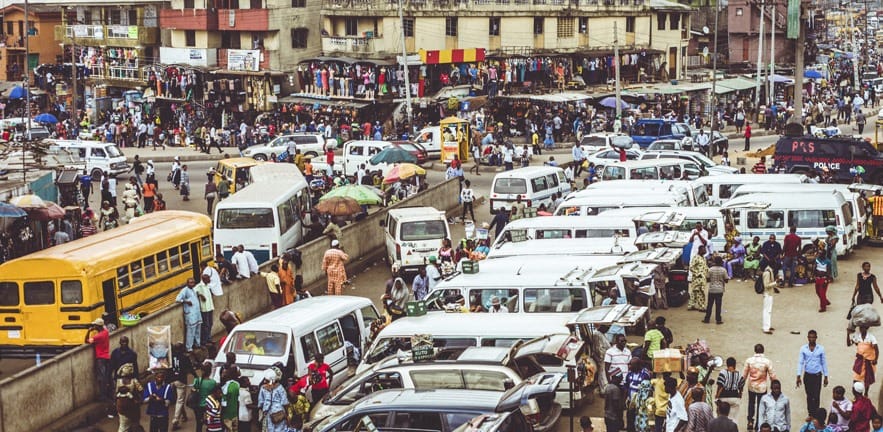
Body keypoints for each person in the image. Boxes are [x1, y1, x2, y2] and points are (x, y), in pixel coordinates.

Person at [797, 330, 829, 421]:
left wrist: (826, 376)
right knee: (809, 395)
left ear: (816, 338)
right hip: (807, 375)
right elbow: (800, 362)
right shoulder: (803, 349)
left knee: (817, 395)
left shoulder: (821, 349)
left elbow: (824, 362)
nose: (811, 339)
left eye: (813, 337)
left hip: (817, 376)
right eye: (810, 337)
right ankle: (810, 414)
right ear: (808, 338)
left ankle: (816, 414)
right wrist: (798, 375)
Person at [744, 343, 777, 431]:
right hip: (762, 388)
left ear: (755, 350)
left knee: (751, 403)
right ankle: (758, 424)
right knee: (761, 406)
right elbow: (772, 375)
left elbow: (744, 375)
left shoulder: (749, 361)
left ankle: (750, 421)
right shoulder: (767, 361)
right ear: (763, 351)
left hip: (751, 386)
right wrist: (775, 387)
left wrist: (740, 387)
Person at [86, 317, 114, 417]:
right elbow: (104, 327)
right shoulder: (106, 332)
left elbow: (86, 340)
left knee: (102, 378)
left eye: (95, 325)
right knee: (108, 376)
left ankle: (103, 396)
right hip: (107, 357)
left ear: (98, 326)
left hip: (100, 358)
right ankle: (111, 393)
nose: (94, 327)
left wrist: (89, 331)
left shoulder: (98, 336)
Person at [849, 325, 879, 396]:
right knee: (856, 379)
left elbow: (876, 350)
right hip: (860, 361)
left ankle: (866, 393)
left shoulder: (871, 337)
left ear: (867, 328)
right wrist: (848, 334)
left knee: (867, 379)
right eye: (860, 327)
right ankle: (857, 395)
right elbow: (849, 344)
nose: (861, 329)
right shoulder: (857, 337)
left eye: (863, 327)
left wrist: (875, 359)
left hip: (869, 361)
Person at [168, 342, 192, 429]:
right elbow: (191, 368)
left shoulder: (171, 356)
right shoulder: (185, 357)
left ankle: (184, 415)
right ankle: (175, 420)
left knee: (178, 399)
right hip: (181, 381)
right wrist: (197, 377)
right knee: (180, 400)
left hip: (171, 380)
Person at [175, 278, 202, 352]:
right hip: (190, 314)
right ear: (187, 283)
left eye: (193, 282)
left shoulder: (193, 290)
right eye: (190, 283)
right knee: (191, 331)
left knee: (197, 330)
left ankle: (197, 344)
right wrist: (186, 301)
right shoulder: (185, 290)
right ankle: (189, 347)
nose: (192, 284)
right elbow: (177, 299)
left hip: (196, 313)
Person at [716, 357, 745, 422]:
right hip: (735, 397)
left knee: (721, 418)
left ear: (727, 364)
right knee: (734, 419)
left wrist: (717, 396)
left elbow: (720, 386)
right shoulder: (739, 374)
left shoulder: (723, 373)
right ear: (735, 365)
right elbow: (741, 386)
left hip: (723, 397)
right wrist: (740, 394)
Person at [193, 362, 218, 432]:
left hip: (198, 405)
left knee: (199, 424)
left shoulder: (197, 380)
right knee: (210, 424)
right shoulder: (213, 382)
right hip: (209, 406)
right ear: (210, 372)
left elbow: (193, 390)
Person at [703, 255, 728, 324]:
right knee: (718, 305)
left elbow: (707, 279)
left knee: (710, 305)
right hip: (720, 290)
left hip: (712, 289)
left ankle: (707, 319)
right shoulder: (723, 270)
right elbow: (726, 280)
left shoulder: (710, 269)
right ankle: (718, 319)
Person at [194, 273, 215, 347]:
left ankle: (209, 338)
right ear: (204, 279)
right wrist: (200, 295)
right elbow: (193, 292)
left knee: (210, 323)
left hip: (210, 307)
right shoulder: (199, 286)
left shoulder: (207, 286)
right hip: (204, 309)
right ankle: (204, 341)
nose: (209, 280)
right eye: (208, 279)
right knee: (205, 325)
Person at [688, 245, 709, 311]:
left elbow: (705, 267)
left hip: (703, 278)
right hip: (697, 278)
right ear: (699, 250)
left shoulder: (703, 258)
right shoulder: (696, 257)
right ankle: (701, 307)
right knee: (700, 292)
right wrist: (698, 274)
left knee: (695, 292)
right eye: (703, 249)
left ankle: (691, 305)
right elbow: (691, 267)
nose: (705, 251)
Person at [761, 261, 780, 334]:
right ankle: (766, 328)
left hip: (769, 293)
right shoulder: (767, 273)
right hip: (767, 293)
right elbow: (766, 285)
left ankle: (767, 325)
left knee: (768, 310)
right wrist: (775, 283)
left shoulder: (769, 271)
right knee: (767, 311)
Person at [815, 246, 833, 312]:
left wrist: (827, 279)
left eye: (820, 254)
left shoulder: (828, 261)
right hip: (817, 278)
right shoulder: (817, 259)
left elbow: (829, 271)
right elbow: (815, 267)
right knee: (817, 292)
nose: (819, 254)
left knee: (822, 293)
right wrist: (813, 275)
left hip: (824, 278)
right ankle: (825, 301)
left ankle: (823, 307)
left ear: (823, 254)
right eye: (818, 253)